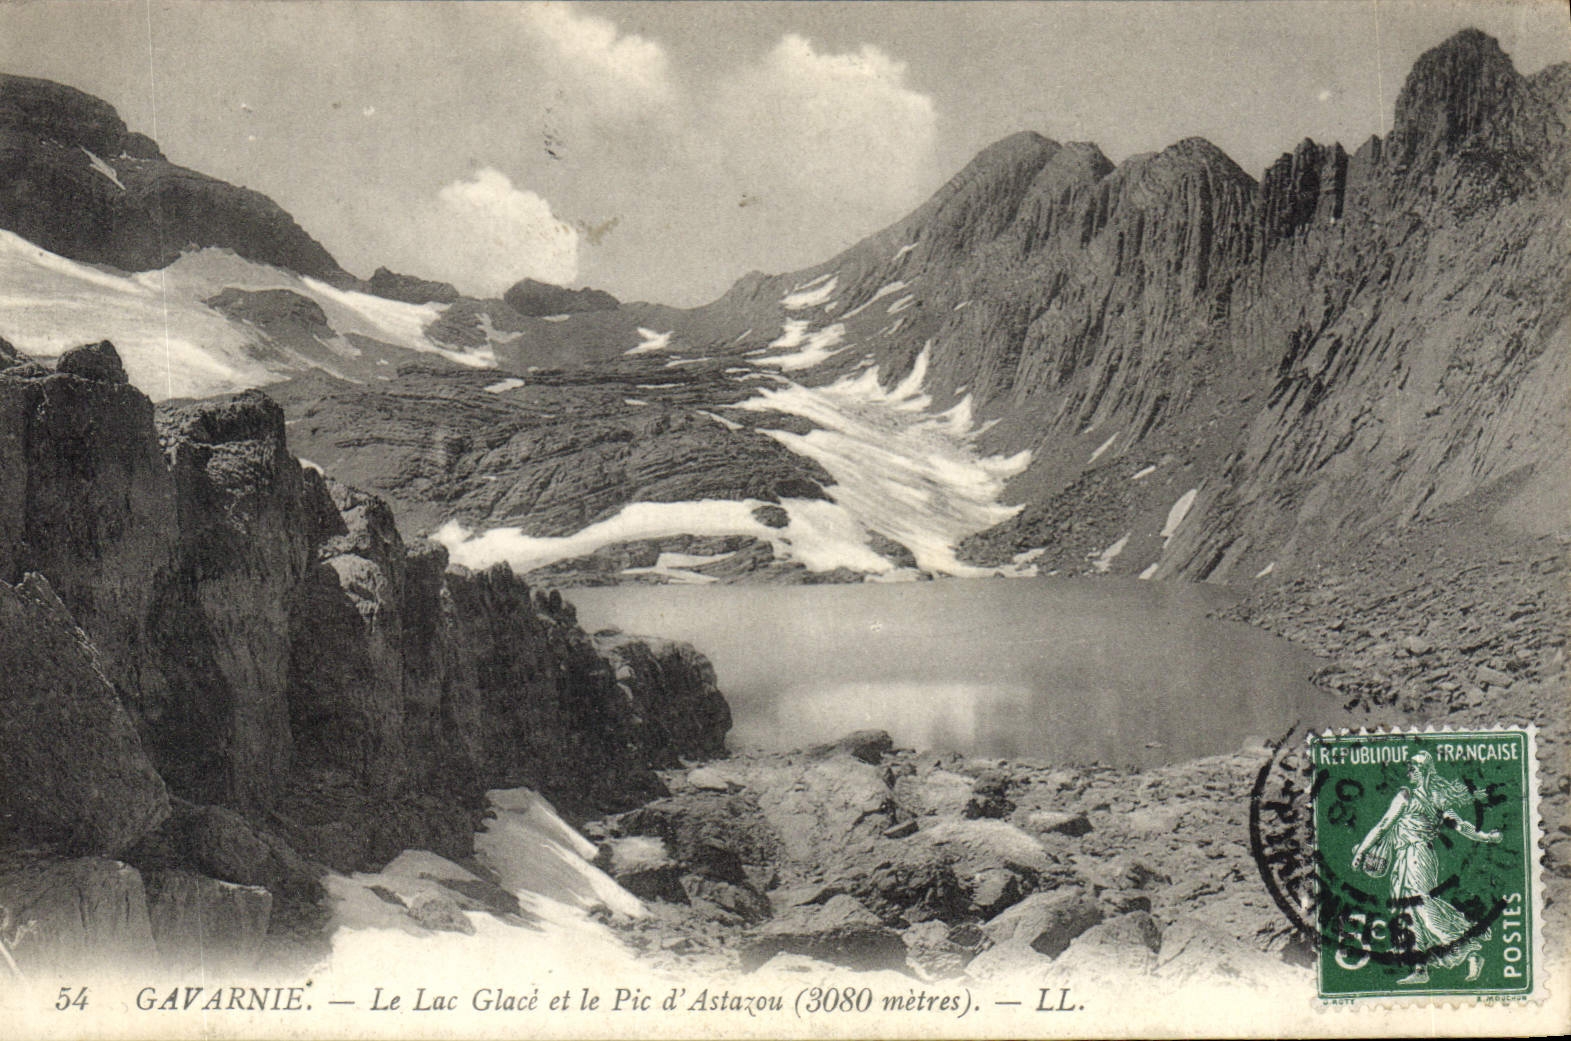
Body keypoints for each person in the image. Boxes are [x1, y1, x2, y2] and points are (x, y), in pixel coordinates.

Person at [1350, 750, 1502, 984]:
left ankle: (1470, 948)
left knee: (1422, 908)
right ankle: (1419, 968)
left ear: (1423, 772)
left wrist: (1361, 850)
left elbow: (1383, 826)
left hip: (1416, 856)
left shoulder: (1407, 796)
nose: (1408, 771)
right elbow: (1461, 826)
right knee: (1405, 911)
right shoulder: (1436, 798)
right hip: (1407, 857)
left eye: (1413, 768)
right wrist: (1486, 837)